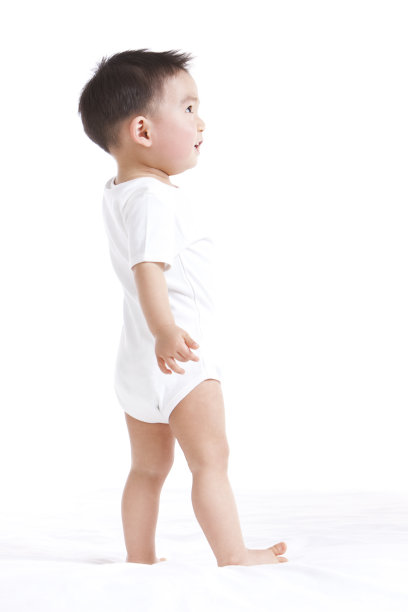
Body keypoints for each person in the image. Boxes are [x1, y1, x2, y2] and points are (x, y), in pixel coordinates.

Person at [78, 49, 288, 567]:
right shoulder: (154, 197)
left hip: (136, 364)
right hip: (180, 356)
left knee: (147, 469)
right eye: (189, 108)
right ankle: (233, 554)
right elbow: (147, 269)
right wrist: (167, 331)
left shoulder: (120, 191)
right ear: (143, 130)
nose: (201, 122)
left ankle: (141, 558)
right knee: (211, 460)